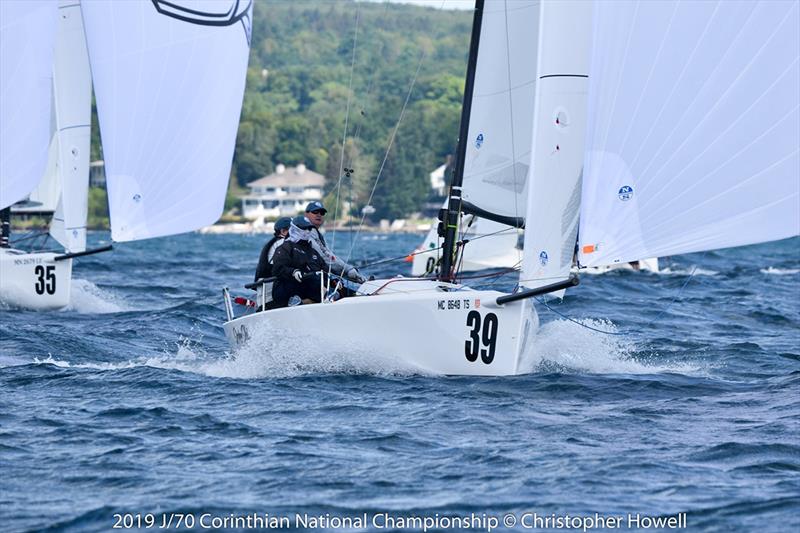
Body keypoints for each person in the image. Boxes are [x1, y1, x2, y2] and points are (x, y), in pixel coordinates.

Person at [272, 216, 357, 307]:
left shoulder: (312, 251)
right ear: (295, 229)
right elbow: (277, 269)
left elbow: (324, 269)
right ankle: (327, 297)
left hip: (311, 287)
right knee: (312, 279)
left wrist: (333, 280)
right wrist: (293, 272)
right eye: (305, 228)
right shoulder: (285, 247)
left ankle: (357, 296)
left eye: (309, 228)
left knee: (336, 285)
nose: (308, 230)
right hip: (287, 287)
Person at [303, 200, 367, 283]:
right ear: (306, 214)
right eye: (315, 212)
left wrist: (348, 268)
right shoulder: (306, 232)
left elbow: (329, 254)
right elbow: (324, 257)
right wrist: (347, 269)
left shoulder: (316, 233)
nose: (319, 214)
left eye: (322, 213)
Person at [254, 217, 291, 281]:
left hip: (266, 279)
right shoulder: (280, 243)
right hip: (268, 282)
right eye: (293, 230)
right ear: (283, 231)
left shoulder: (275, 241)